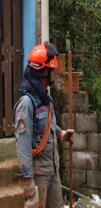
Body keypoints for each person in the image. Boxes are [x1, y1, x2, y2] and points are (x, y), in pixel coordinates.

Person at [13, 42, 74, 208]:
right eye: (52, 70)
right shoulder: (26, 103)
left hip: (53, 169)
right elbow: (23, 145)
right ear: (43, 72)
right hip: (38, 174)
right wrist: (28, 185)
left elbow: (49, 126)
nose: (55, 73)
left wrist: (61, 134)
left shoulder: (45, 98)